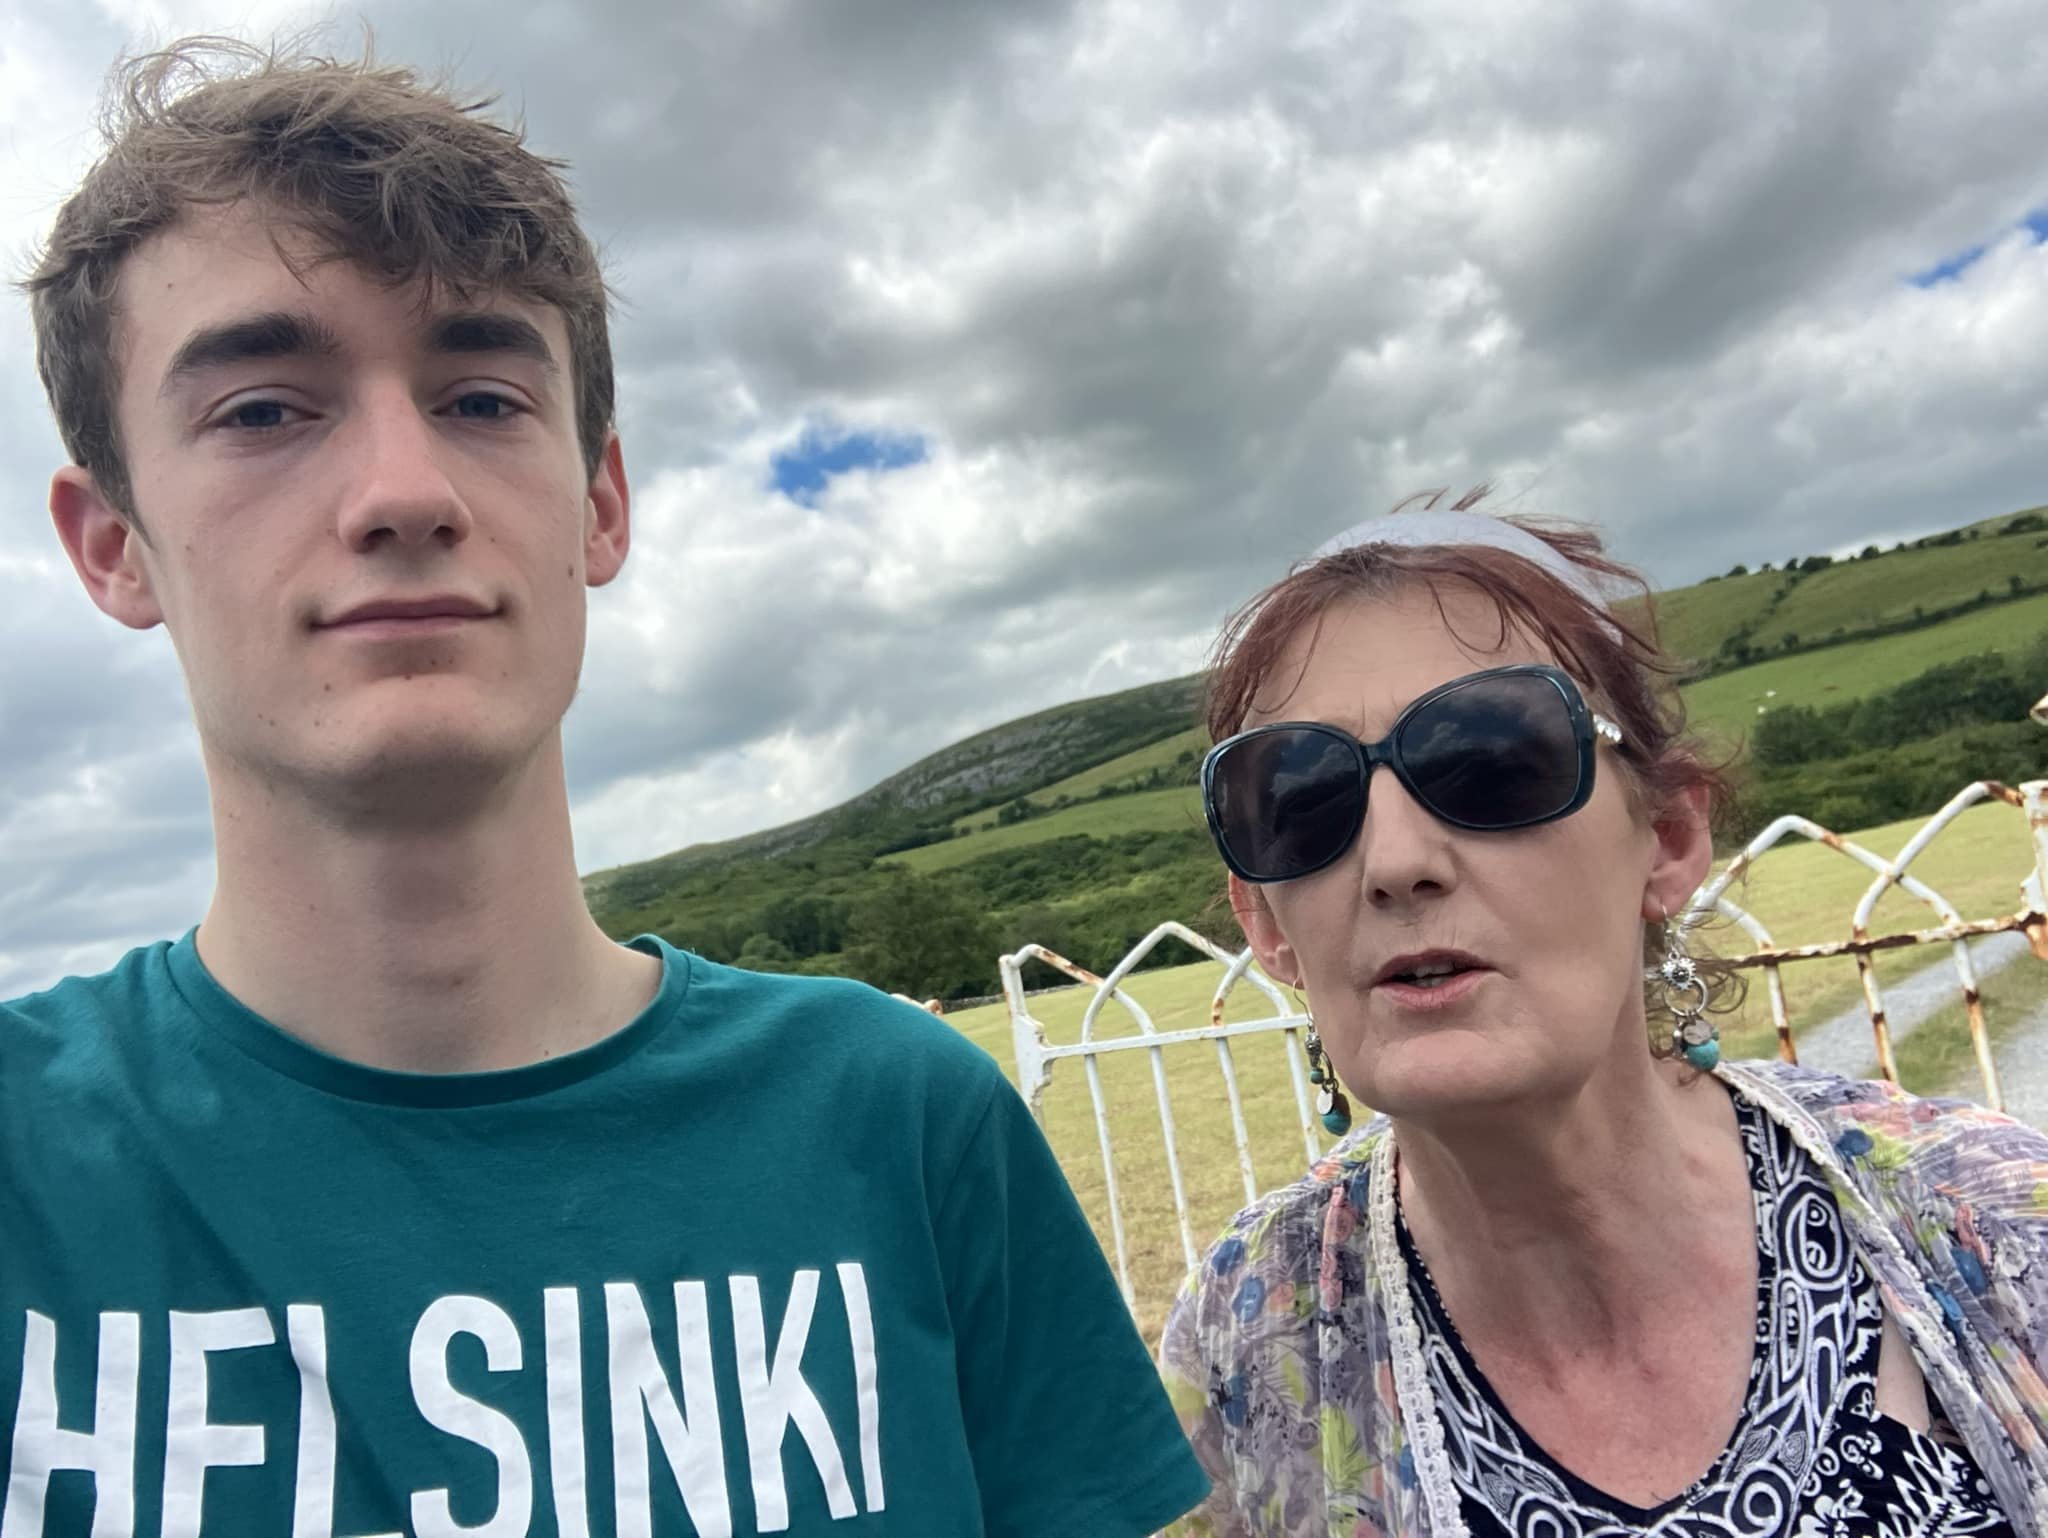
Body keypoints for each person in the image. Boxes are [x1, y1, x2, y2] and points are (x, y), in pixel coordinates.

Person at [3, 38, 1207, 1536]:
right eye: (263, 408)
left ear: (602, 499)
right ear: (110, 541)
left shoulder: (901, 1124)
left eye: (484, 395)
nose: (403, 493)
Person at [1158, 493, 2048, 1536]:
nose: (1393, 861)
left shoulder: (1995, 1226)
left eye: (1489, 759)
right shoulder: (1250, 1338)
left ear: (1666, 838)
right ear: (1265, 924)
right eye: (1300, 797)